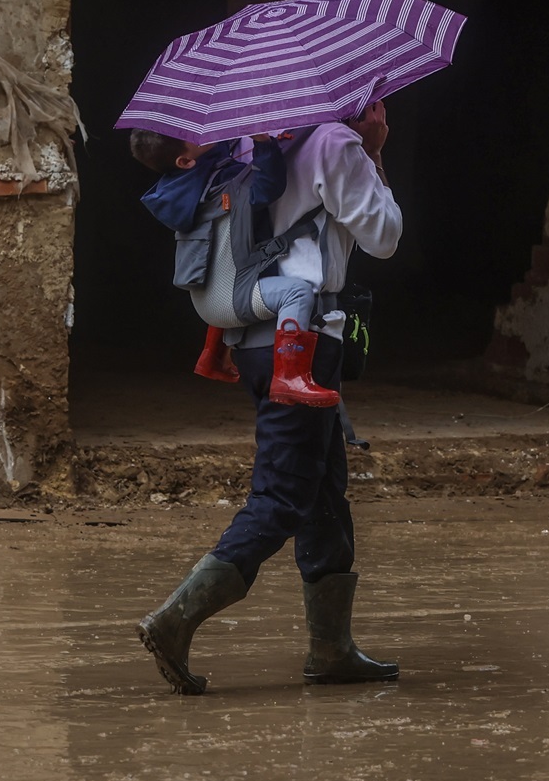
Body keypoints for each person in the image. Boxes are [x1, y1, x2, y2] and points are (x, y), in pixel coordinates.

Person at [136, 100, 401, 694]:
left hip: (258, 340)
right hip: (302, 340)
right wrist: (376, 152)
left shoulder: (245, 150)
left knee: (325, 490)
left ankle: (331, 648)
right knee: (282, 494)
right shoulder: (334, 144)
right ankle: (175, 619)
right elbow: (384, 238)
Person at [130, 129, 336, 407]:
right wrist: (264, 143)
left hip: (206, 301)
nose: (199, 130)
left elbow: (212, 152)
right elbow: (268, 187)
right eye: (191, 133)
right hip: (229, 303)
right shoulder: (226, 183)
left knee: (226, 268)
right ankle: (290, 378)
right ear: (185, 160)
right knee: (297, 293)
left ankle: (213, 356)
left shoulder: (184, 185)